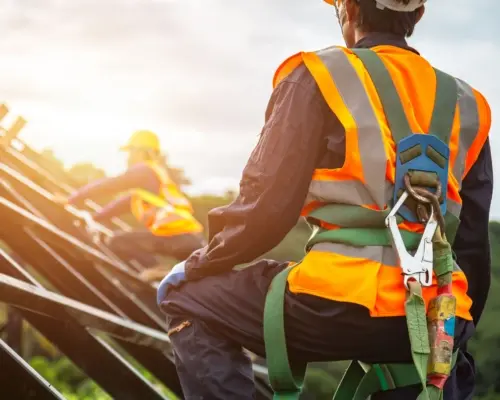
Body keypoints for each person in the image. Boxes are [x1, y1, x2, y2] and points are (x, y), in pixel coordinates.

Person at [156, 0, 493, 399]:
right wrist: (455, 327)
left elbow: (265, 210)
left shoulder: (319, 75)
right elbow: (471, 245)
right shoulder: (468, 104)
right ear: (417, 15)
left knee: (187, 299)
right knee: (441, 367)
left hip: (338, 302)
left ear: (348, 9)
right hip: (437, 314)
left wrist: (200, 264)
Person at [61, 130, 206, 270]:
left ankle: (156, 268)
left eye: (131, 152)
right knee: (125, 241)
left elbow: (109, 185)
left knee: (118, 242)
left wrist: (71, 200)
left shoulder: (144, 171)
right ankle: (154, 272)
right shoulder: (151, 184)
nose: (128, 157)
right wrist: (94, 218)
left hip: (177, 237)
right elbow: (118, 206)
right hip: (190, 241)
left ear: (142, 152)